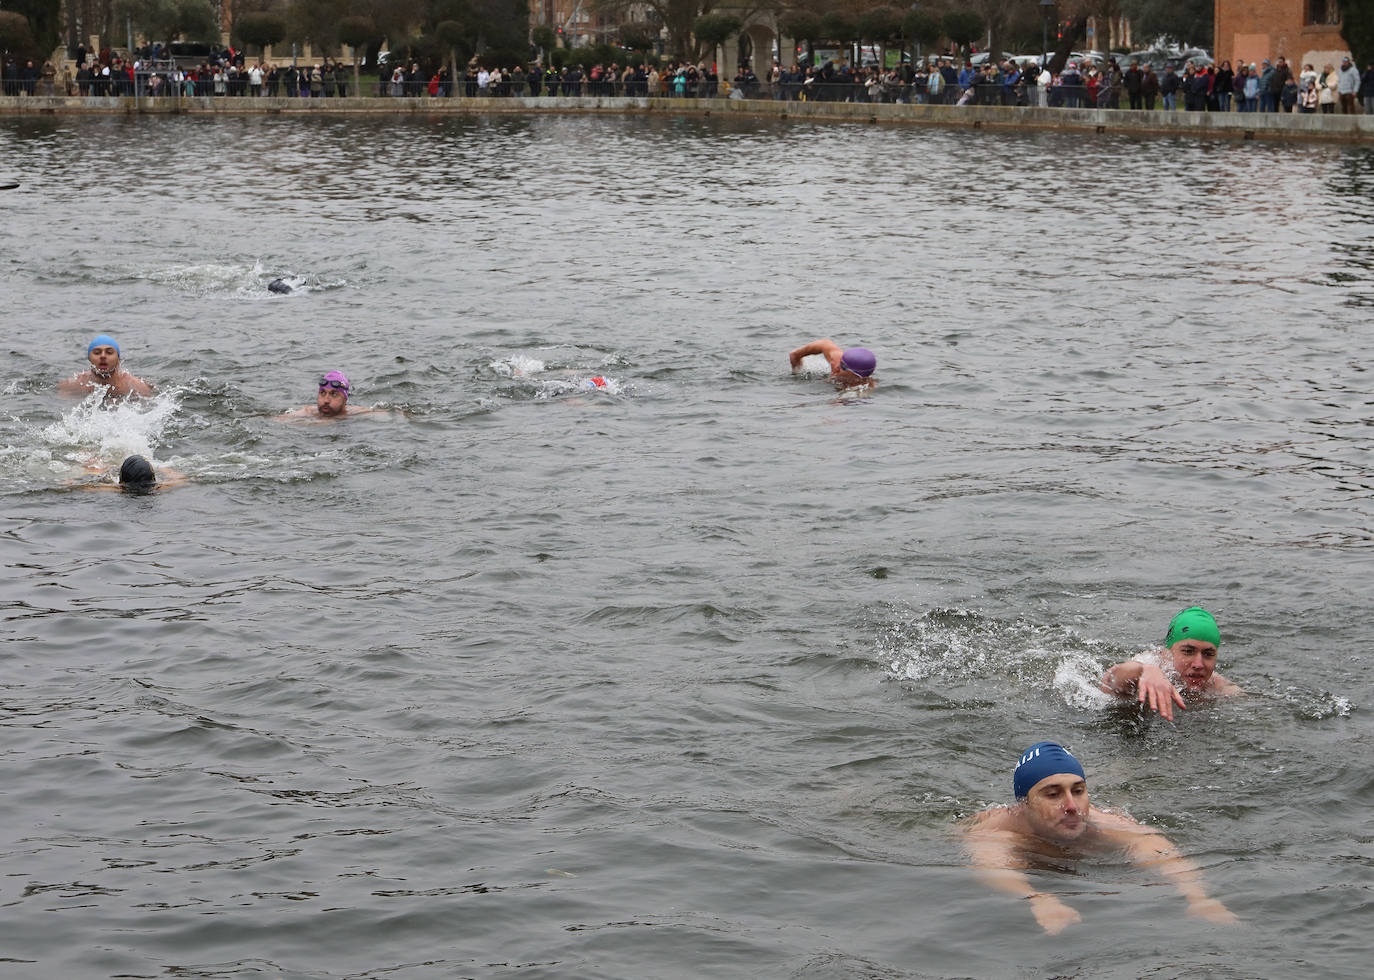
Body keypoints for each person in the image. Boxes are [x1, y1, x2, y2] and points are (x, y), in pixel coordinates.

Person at [963, 742, 1238, 935]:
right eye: (1053, 794)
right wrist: (1038, 899)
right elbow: (992, 866)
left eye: (1078, 790)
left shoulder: (1102, 823)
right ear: (1023, 804)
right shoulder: (996, 831)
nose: (1072, 806)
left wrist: (1196, 896)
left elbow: (1152, 846)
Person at [1099, 607, 1241, 721]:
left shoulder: (1219, 687)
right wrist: (1145, 671)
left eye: (1208, 654)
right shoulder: (1150, 662)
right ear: (1167, 653)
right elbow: (1112, 679)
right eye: (1188, 651)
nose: (1199, 664)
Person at [58, 334, 154, 400]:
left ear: (118, 359)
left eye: (109, 352)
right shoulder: (74, 385)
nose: (103, 356)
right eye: (97, 353)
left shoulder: (135, 387)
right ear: (89, 359)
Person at [278, 370, 381, 420]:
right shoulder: (308, 412)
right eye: (322, 393)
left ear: (345, 400)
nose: (326, 400)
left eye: (334, 394)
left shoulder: (358, 413)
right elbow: (277, 420)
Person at [788, 339, 877, 388]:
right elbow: (825, 343)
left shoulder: (860, 389)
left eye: (843, 366)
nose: (837, 366)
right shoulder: (836, 360)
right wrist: (797, 355)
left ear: (857, 376)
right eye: (841, 362)